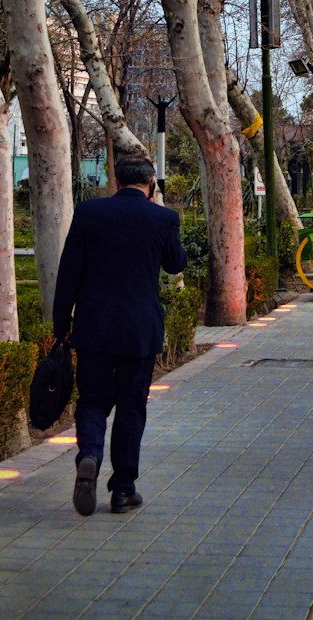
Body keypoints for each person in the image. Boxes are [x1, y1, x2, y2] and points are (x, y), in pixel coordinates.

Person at [52, 154, 187, 517]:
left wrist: (61, 324)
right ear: (151, 183)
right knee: (131, 408)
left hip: (94, 328)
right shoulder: (163, 218)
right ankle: (123, 490)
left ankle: (90, 455)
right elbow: (177, 264)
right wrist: (163, 214)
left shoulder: (89, 213)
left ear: (116, 181)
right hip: (139, 332)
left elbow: (69, 273)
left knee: (93, 401)